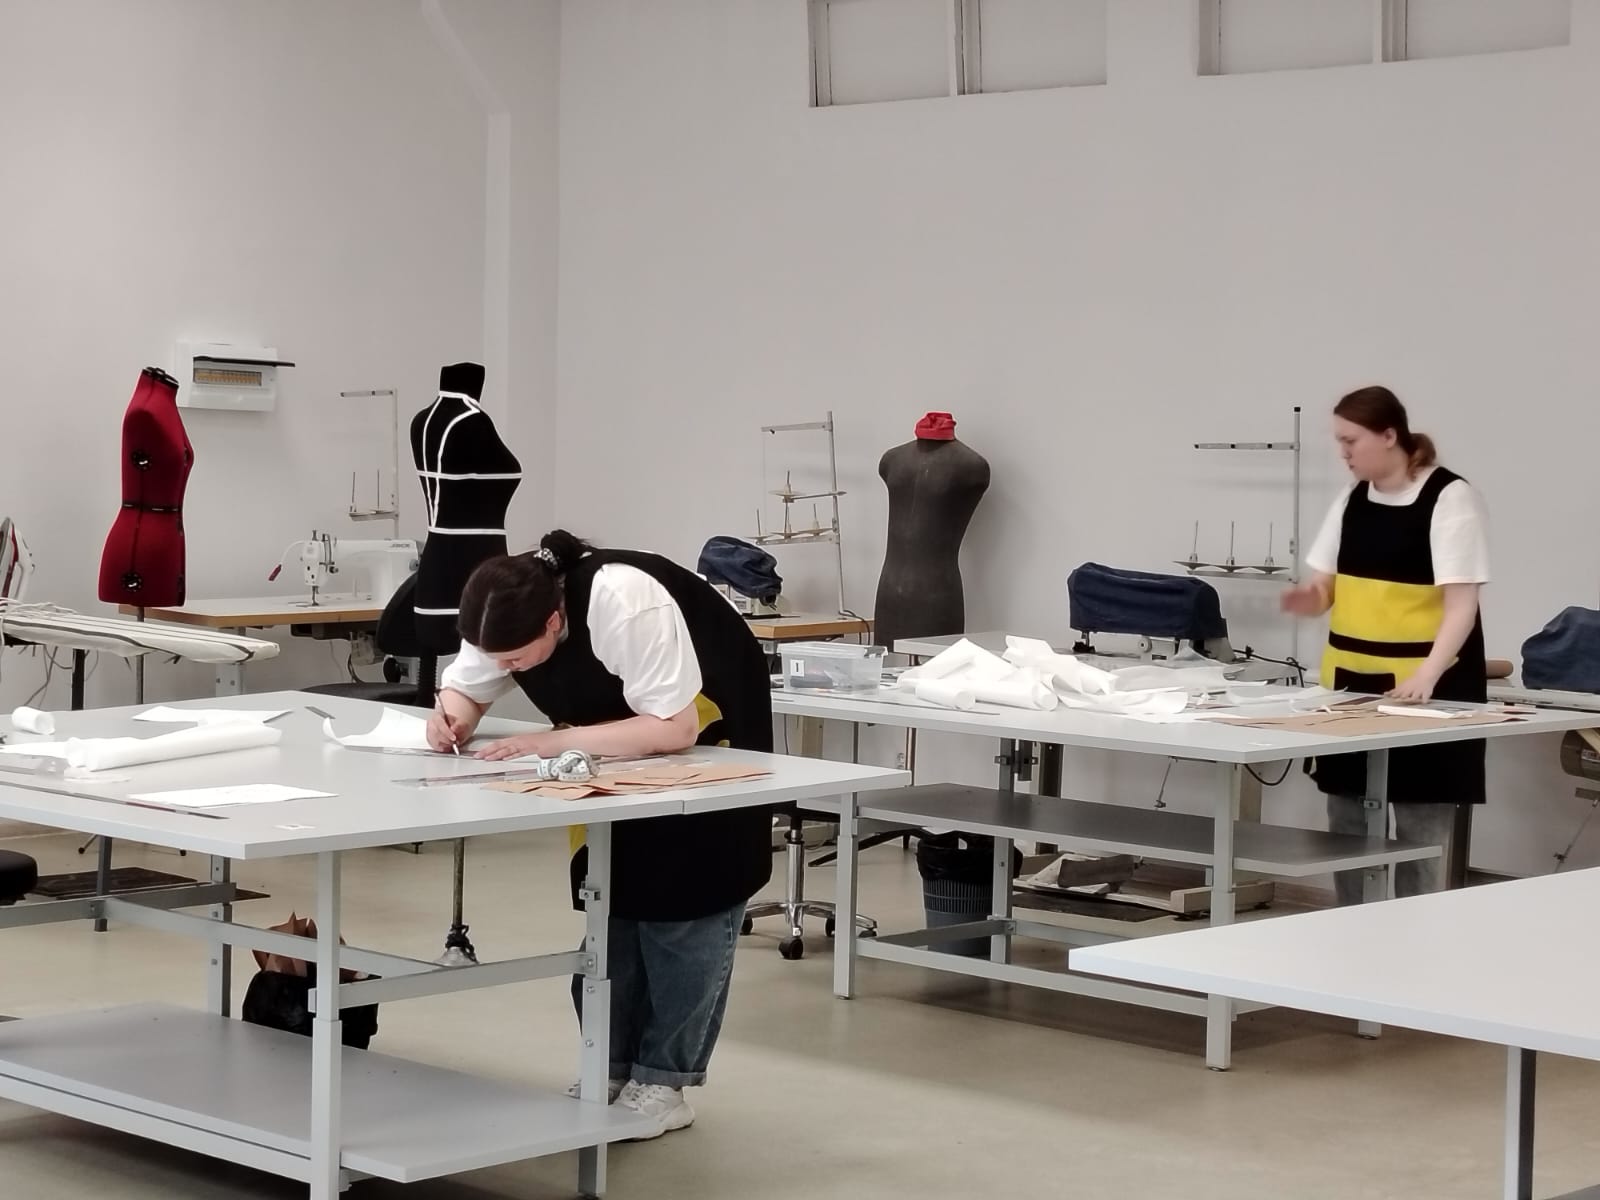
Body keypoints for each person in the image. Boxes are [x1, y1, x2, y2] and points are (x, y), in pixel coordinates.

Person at [426, 530, 773, 1138]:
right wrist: (451, 715)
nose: (506, 671)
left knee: (685, 915)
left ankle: (664, 1081)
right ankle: (610, 1066)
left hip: (709, 743)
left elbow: (673, 728)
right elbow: (469, 683)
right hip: (611, 753)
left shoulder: (621, 600)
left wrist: (546, 742)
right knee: (614, 906)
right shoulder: (501, 610)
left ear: (554, 621)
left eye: (516, 661)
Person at [1281, 386, 1490, 902]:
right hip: (1351, 691)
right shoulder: (1352, 499)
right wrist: (1310, 598)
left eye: (1350, 441)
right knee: (1347, 817)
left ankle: (1420, 934)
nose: (1343, 452)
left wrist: (1427, 674)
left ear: (1389, 435)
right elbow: (1326, 584)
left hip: (1426, 693)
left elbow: (1461, 605)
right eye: (1339, 441)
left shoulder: (1449, 498)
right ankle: (1352, 925)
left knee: (1420, 825)